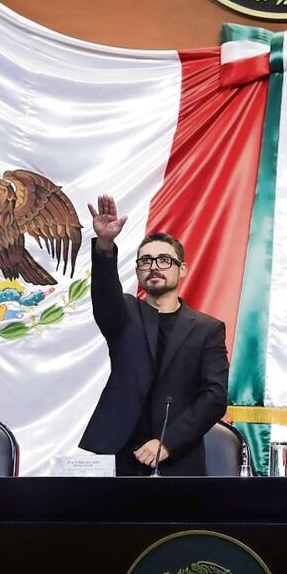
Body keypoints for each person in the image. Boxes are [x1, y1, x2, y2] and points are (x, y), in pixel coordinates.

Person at [81, 194, 228, 476]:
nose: (154, 267)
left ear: (182, 269)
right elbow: (104, 294)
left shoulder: (208, 329)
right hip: (118, 455)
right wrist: (104, 245)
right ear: (138, 272)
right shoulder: (123, 313)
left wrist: (167, 443)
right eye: (146, 261)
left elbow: (214, 397)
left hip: (178, 459)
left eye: (164, 260)